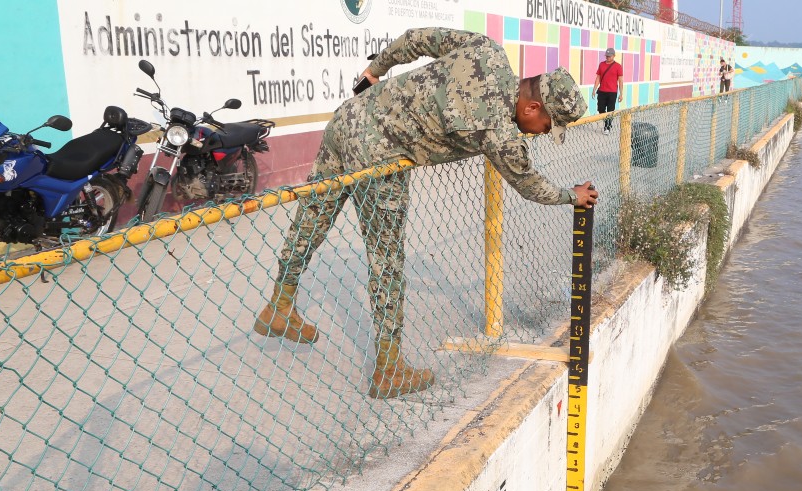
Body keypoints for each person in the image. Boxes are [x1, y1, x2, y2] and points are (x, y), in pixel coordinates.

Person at [254, 27, 599, 399]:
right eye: (548, 125)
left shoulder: (487, 51)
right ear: (532, 107)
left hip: (349, 117)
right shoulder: (498, 132)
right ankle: (388, 369)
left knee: (315, 214)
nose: (544, 132)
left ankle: (280, 303)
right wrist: (571, 196)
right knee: (386, 258)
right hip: (380, 155)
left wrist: (375, 71)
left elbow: (416, 38)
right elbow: (532, 185)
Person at [593, 47, 624, 134]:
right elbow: (598, 77)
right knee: (600, 109)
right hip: (602, 91)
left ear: (614, 56)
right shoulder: (601, 64)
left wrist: (621, 94)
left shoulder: (618, 66)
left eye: (610, 56)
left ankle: (607, 127)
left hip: (612, 92)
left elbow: (621, 81)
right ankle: (608, 123)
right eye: (607, 56)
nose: (608, 57)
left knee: (610, 110)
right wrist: (594, 89)